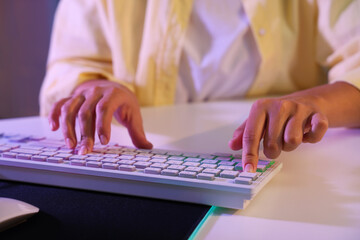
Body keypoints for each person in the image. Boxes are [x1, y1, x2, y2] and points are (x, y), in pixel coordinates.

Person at [40, 0, 360, 173]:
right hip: (138, 157)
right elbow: (74, 63)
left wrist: (311, 103)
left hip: (282, 163)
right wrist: (96, 89)